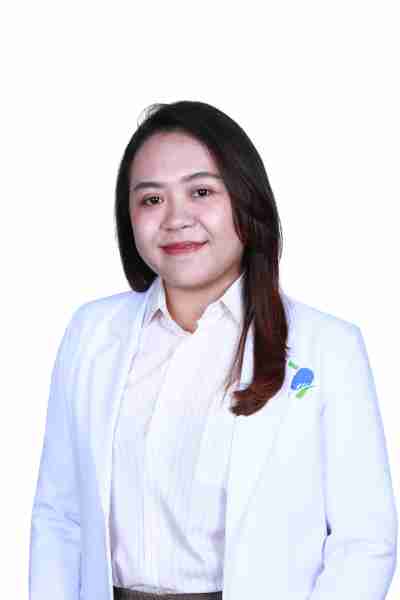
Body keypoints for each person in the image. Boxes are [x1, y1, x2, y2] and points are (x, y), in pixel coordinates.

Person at [29, 100, 398, 600]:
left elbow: (364, 540)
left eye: (201, 192)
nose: (176, 219)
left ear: (246, 200)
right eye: (151, 199)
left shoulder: (328, 347)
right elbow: (60, 515)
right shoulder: (90, 333)